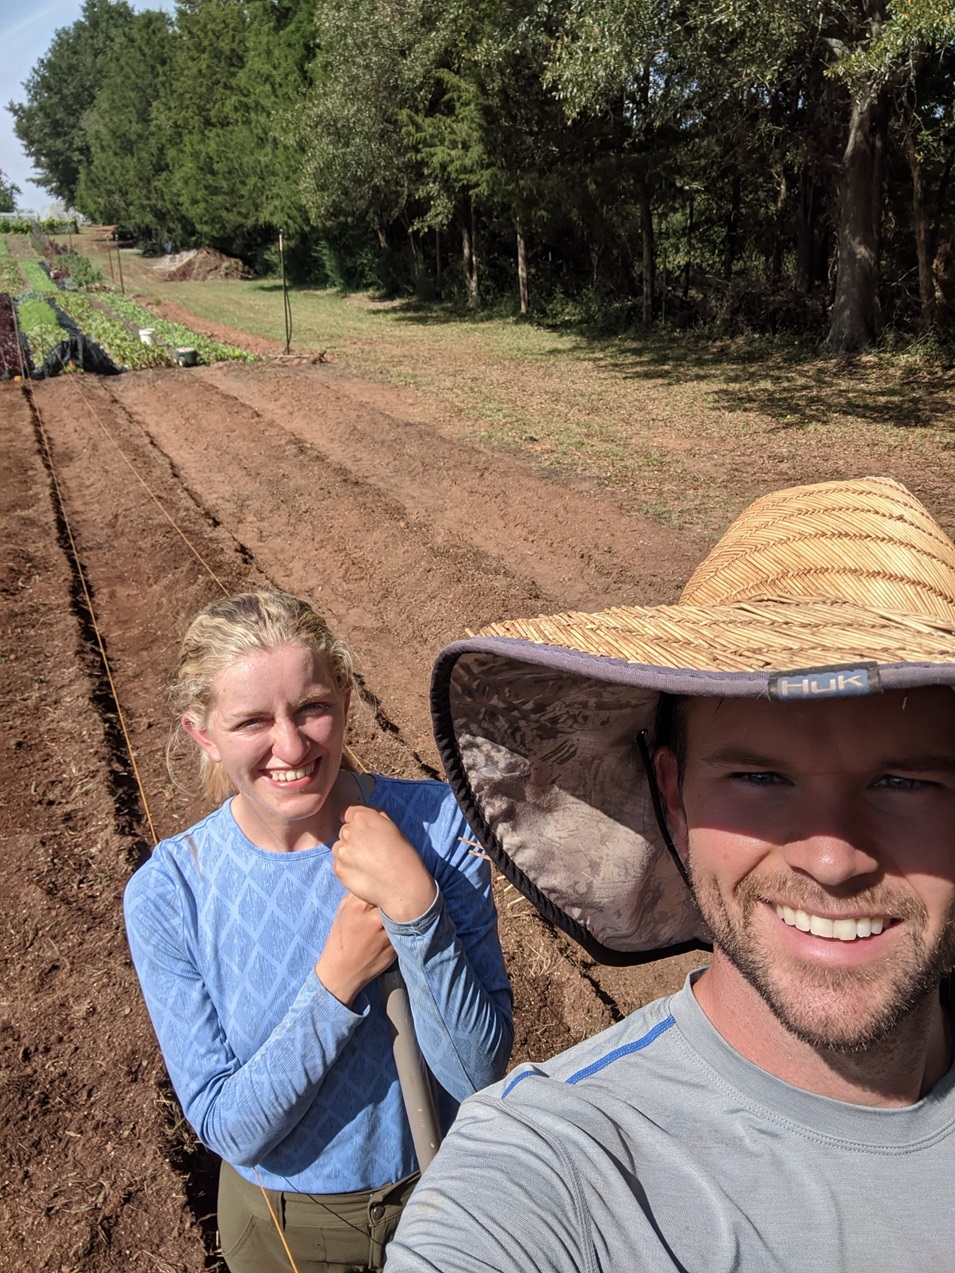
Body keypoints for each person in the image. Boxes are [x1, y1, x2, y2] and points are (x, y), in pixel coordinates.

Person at [386, 475, 955, 1272]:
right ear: (671, 796)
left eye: (903, 781)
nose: (831, 860)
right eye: (759, 778)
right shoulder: (562, 1171)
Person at [123, 589, 513, 1273]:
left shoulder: (438, 824)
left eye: (312, 708)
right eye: (251, 720)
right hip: (285, 1231)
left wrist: (417, 909)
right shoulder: (170, 893)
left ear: (346, 698)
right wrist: (336, 979)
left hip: (445, 1194)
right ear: (202, 733)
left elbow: (476, 1072)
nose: (291, 745)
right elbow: (228, 1126)